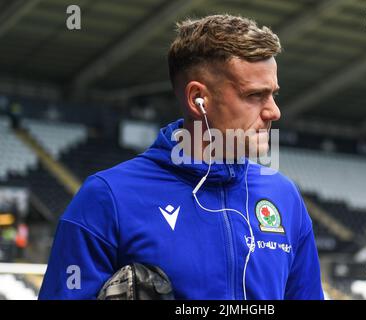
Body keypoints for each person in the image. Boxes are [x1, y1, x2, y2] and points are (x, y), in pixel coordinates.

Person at [39, 14, 324, 300]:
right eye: (254, 96)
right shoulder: (106, 198)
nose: (274, 112)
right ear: (197, 99)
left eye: (273, 94)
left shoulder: (284, 197)